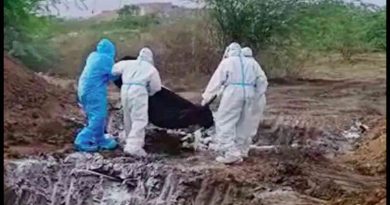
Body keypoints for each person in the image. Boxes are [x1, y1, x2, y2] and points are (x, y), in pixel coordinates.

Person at [201, 43, 268, 164]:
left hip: (232, 92)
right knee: (245, 122)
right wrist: (257, 94)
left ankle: (230, 152)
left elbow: (216, 81)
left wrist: (207, 97)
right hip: (250, 92)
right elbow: (262, 81)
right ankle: (242, 150)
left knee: (224, 121)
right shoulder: (253, 63)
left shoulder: (227, 62)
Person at [112, 47, 162, 157]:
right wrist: (149, 92)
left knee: (128, 116)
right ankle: (134, 146)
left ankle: (128, 139)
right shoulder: (151, 69)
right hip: (139, 91)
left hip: (125, 90)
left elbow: (113, 70)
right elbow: (156, 87)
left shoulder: (128, 63)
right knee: (139, 118)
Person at [75, 38, 119, 152]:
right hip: (94, 91)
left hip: (83, 89)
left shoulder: (93, 56)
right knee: (99, 117)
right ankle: (81, 140)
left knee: (93, 116)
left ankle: (99, 139)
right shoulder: (106, 59)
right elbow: (113, 76)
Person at [239, 47, 268, 158]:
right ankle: (245, 149)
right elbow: (263, 82)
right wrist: (258, 94)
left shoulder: (243, 65)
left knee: (243, 123)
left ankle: (242, 149)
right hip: (257, 99)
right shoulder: (256, 65)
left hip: (250, 98)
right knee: (251, 124)